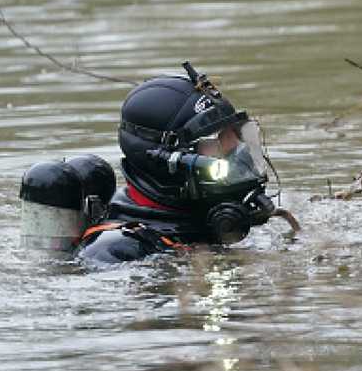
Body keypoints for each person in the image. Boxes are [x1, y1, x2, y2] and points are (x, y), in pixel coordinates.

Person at [74, 63, 280, 264]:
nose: (236, 147)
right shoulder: (119, 251)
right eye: (216, 138)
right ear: (166, 163)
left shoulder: (218, 211)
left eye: (235, 133)